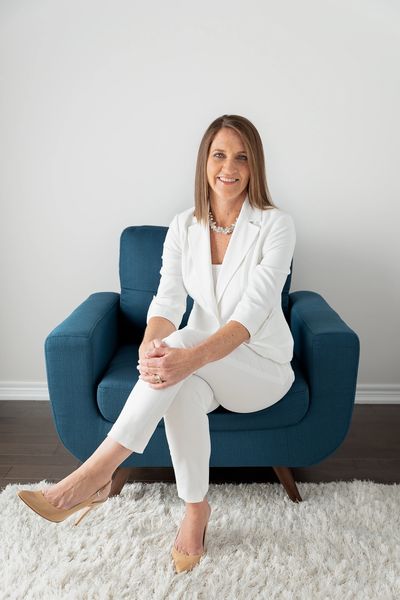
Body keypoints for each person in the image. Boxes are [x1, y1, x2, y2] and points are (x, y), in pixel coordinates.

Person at [17, 114, 296, 574]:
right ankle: (195, 510)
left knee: (182, 350)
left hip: (261, 369)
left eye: (242, 157)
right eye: (220, 154)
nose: (230, 166)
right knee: (177, 381)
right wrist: (152, 347)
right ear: (204, 161)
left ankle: (95, 473)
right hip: (201, 367)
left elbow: (252, 314)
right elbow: (167, 300)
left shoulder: (276, 225)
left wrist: (184, 355)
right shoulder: (184, 226)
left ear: (255, 166)